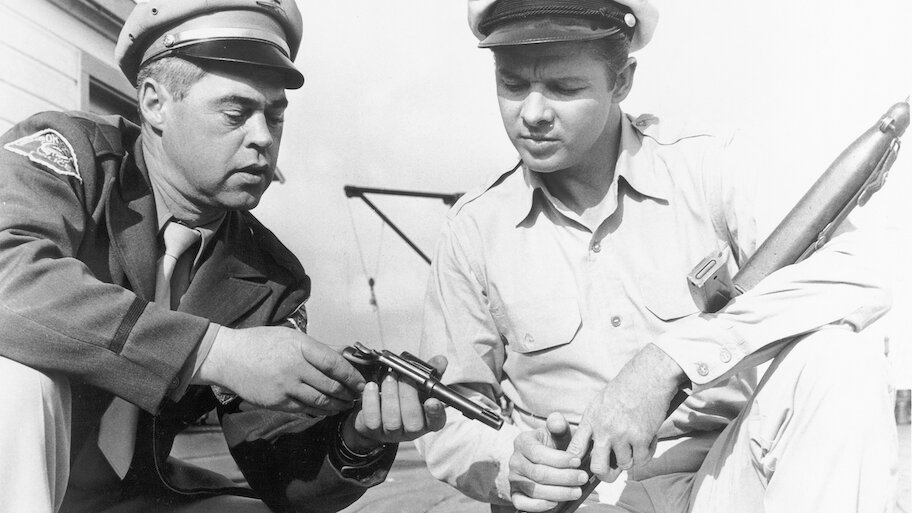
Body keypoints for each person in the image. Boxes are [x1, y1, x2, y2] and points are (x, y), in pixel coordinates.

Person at [415, 1, 899, 512]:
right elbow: (449, 414)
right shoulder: (472, 230)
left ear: (622, 80)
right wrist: (513, 464)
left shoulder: (709, 167)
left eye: (564, 87)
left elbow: (856, 273)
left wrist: (669, 361)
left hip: (725, 480)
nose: (532, 113)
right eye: (512, 85)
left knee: (840, 361)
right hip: (579, 501)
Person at [0, 1, 447, 512]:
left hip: (124, 496)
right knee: (19, 376)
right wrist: (216, 353)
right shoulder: (72, 157)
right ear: (154, 103)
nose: (263, 138)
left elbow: (280, 468)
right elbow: (9, 283)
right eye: (236, 113)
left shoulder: (268, 274)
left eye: (275, 116)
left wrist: (359, 434)